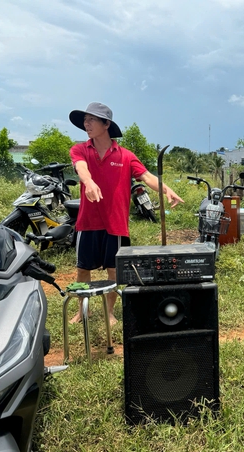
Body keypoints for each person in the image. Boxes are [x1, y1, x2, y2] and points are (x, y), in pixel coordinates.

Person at [68, 102, 183, 325]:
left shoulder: (126, 156)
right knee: (83, 269)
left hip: (116, 223)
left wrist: (167, 189)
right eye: (85, 120)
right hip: (88, 221)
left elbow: (147, 177)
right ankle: (83, 310)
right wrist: (89, 181)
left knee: (114, 270)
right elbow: (81, 168)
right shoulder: (80, 149)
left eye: (92, 119)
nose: (86, 124)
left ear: (106, 124)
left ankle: (109, 312)